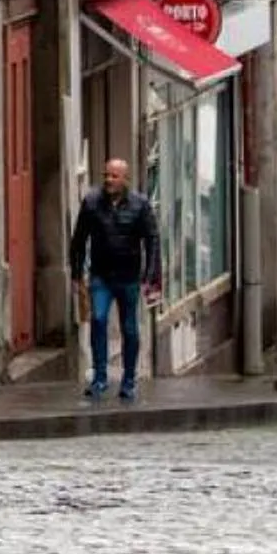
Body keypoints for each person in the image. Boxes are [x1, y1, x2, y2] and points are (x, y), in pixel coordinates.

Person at [69, 158, 162, 401]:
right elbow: (78, 240)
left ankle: (129, 379)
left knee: (129, 328)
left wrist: (150, 274)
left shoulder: (140, 205)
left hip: (129, 276)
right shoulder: (91, 202)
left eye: (114, 176)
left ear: (125, 179)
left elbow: (152, 239)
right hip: (101, 275)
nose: (109, 180)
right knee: (98, 319)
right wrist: (77, 274)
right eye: (106, 175)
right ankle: (100, 377)